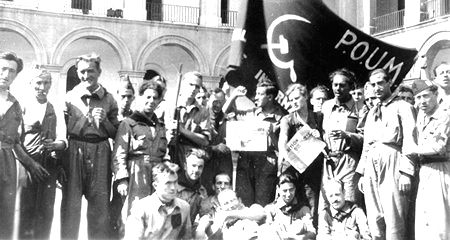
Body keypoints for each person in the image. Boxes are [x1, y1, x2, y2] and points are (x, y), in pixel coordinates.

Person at [61, 53, 119, 239]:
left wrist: (104, 122)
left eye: (91, 71)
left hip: (101, 151)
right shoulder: (70, 97)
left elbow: (115, 133)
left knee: (99, 207)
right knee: (71, 206)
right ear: (77, 73)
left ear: (99, 71)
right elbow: (63, 131)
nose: (87, 75)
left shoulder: (109, 99)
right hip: (75, 150)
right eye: (82, 71)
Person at [356, 68, 417, 240]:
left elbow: (410, 141)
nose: (377, 88)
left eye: (381, 83)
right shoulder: (372, 112)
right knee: (375, 219)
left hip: (393, 162)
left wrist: (406, 172)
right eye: (373, 84)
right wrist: (362, 173)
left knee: (394, 218)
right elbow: (367, 144)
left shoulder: (403, 107)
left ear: (389, 83)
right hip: (371, 166)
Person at [0, 51, 48, 239]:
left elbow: (16, 142)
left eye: (12, 71)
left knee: (5, 217)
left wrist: (31, 164)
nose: (6, 74)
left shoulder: (15, 103)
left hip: (7, 165)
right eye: (3, 68)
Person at [18, 67, 67, 239]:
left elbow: (63, 138)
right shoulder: (22, 106)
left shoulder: (55, 108)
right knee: (25, 210)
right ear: (31, 83)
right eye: (38, 82)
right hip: (27, 165)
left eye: (46, 83)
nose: (42, 87)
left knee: (46, 211)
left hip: (49, 167)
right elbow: (16, 140)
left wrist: (56, 144)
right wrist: (29, 164)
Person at [224, 79, 287, 206]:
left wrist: (271, 133)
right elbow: (225, 111)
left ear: (269, 97)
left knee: (263, 203)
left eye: (259, 94)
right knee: (244, 202)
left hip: (266, 165)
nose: (255, 97)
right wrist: (234, 95)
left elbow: (281, 147)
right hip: (246, 162)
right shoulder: (251, 112)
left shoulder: (282, 118)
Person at [112, 80, 168, 221]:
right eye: (147, 97)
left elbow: (164, 152)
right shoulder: (128, 123)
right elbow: (119, 154)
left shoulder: (160, 125)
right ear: (140, 98)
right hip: (136, 174)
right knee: (134, 213)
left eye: (155, 98)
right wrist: (122, 179)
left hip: (157, 175)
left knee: (156, 214)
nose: (151, 101)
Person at [408, 79, 450, 240]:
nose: (421, 102)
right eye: (417, 98)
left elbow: (437, 147)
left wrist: (412, 150)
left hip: (441, 169)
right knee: (425, 221)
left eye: (425, 96)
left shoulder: (444, 116)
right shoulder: (422, 117)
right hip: (425, 170)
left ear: (436, 95)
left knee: (440, 222)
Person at [320, 68, 365, 214]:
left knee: (350, 203)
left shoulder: (360, 108)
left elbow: (366, 139)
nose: (338, 88)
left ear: (350, 87)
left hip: (349, 161)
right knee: (328, 203)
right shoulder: (326, 107)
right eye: (335, 85)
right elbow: (321, 132)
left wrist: (348, 136)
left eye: (342, 85)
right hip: (328, 162)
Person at [277, 83, 323, 226]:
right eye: (291, 100)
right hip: (292, 167)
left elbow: (325, 140)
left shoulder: (318, 117)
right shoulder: (288, 119)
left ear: (306, 97)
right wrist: (286, 156)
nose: (293, 102)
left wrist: (319, 135)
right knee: (290, 203)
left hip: (312, 169)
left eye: (297, 98)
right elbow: (282, 141)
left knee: (312, 203)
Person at [125, 162, 192, 239]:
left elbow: (187, 237)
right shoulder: (140, 208)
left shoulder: (184, 207)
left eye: (175, 182)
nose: (173, 188)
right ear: (155, 186)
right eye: (168, 183)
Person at [167, 71, 211, 168]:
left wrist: (182, 130)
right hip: (168, 155)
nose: (193, 89)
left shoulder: (203, 111)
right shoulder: (169, 106)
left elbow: (205, 140)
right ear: (183, 84)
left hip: (190, 160)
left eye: (197, 86)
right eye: (191, 84)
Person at [195, 189, 265, 240]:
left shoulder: (251, 210)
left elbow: (261, 214)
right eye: (226, 203)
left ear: (239, 200)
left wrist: (228, 214)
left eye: (232, 200)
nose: (231, 205)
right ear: (221, 207)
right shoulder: (219, 218)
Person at [263, 172, 316, 240]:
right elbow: (267, 233)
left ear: (295, 189)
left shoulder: (303, 209)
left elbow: (312, 232)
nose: (288, 194)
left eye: (291, 190)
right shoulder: (270, 209)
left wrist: (297, 238)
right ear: (278, 189)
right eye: (285, 190)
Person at [202, 88, 233, 196]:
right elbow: (196, 143)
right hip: (205, 166)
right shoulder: (202, 118)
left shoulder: (228, 120)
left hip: (222, 166)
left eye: (221, 102)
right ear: (208, 100)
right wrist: (214, 148)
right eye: (215, 101)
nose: (218, 105)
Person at [177, 148, 208, 224]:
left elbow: (205, 213)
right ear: (185, 166)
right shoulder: (173, 186)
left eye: (200, 167)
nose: (196, 170)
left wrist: (202, 227)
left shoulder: (201, 191)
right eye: (193, 166)